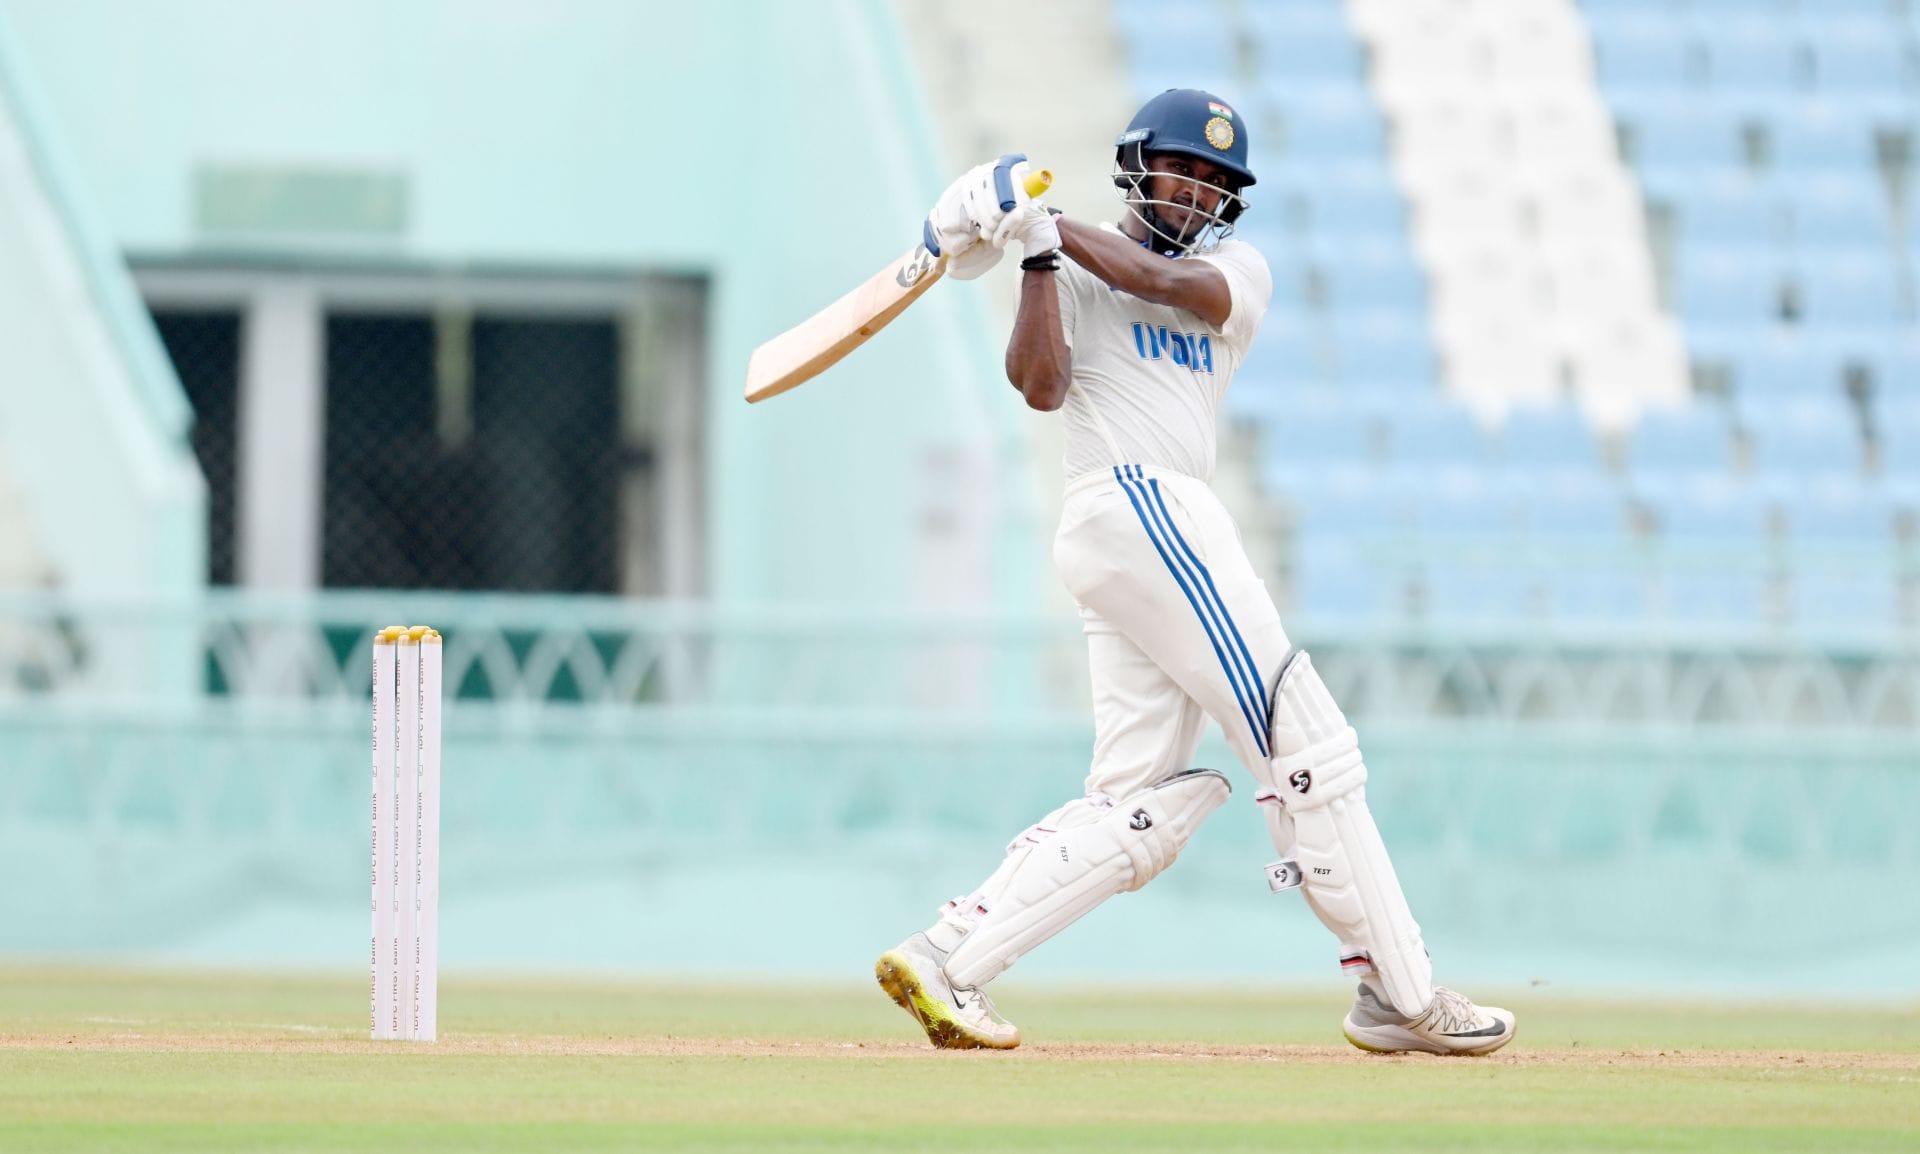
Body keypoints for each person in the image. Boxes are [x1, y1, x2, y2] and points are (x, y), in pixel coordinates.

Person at [874, 89, 1516, 1057]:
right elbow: (1040, 386)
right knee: (1311, 746)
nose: (1200, 190)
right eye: (1184, 169)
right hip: (1134, 504)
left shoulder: (1233, 271)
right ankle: (1403, 991)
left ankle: (948, 957)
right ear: (1138, 167)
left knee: (1145, 796)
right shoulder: (1074, 272)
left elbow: (1163, 283)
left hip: (1145, 528)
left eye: (1219, 180)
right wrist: (1035, 255)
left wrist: (1037, 221)